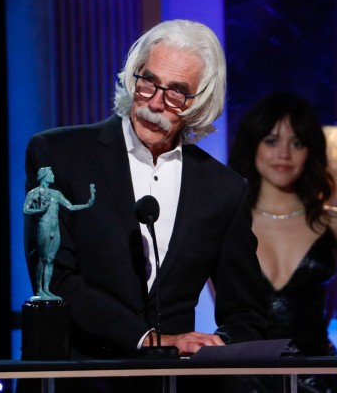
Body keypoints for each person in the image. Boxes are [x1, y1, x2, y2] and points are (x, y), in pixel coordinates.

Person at [23, 19, 269, 391]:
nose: (154, 103)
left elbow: (247, 313)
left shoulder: (223, 189)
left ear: (200, 102)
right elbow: (55, 282)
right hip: (77, 382)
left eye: (176, 93)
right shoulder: (58, 155)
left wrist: (213, 351)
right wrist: (149, 340)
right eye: (148, 82)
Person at [228, 92, 337, 393]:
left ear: (311, 151)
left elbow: (329, 310)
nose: (284, 153)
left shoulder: (335, 225)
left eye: (297, 143)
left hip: (319, 378)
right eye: (271, 141)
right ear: (253, 145)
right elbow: (229, 312)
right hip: (243, 381)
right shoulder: (225, 224)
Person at [23, 166, 95, 299]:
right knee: (42, 259)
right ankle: (39, 289)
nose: (53, 176)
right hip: (44, 226)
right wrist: (40, 210)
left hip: (55, 229)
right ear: (44, 176)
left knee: (51, 259)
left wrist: (87, 204)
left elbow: (70, 207)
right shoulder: (34, 192)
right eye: (51, 174)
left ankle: (46, 289)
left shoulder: (56, 193)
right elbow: (25, 210)